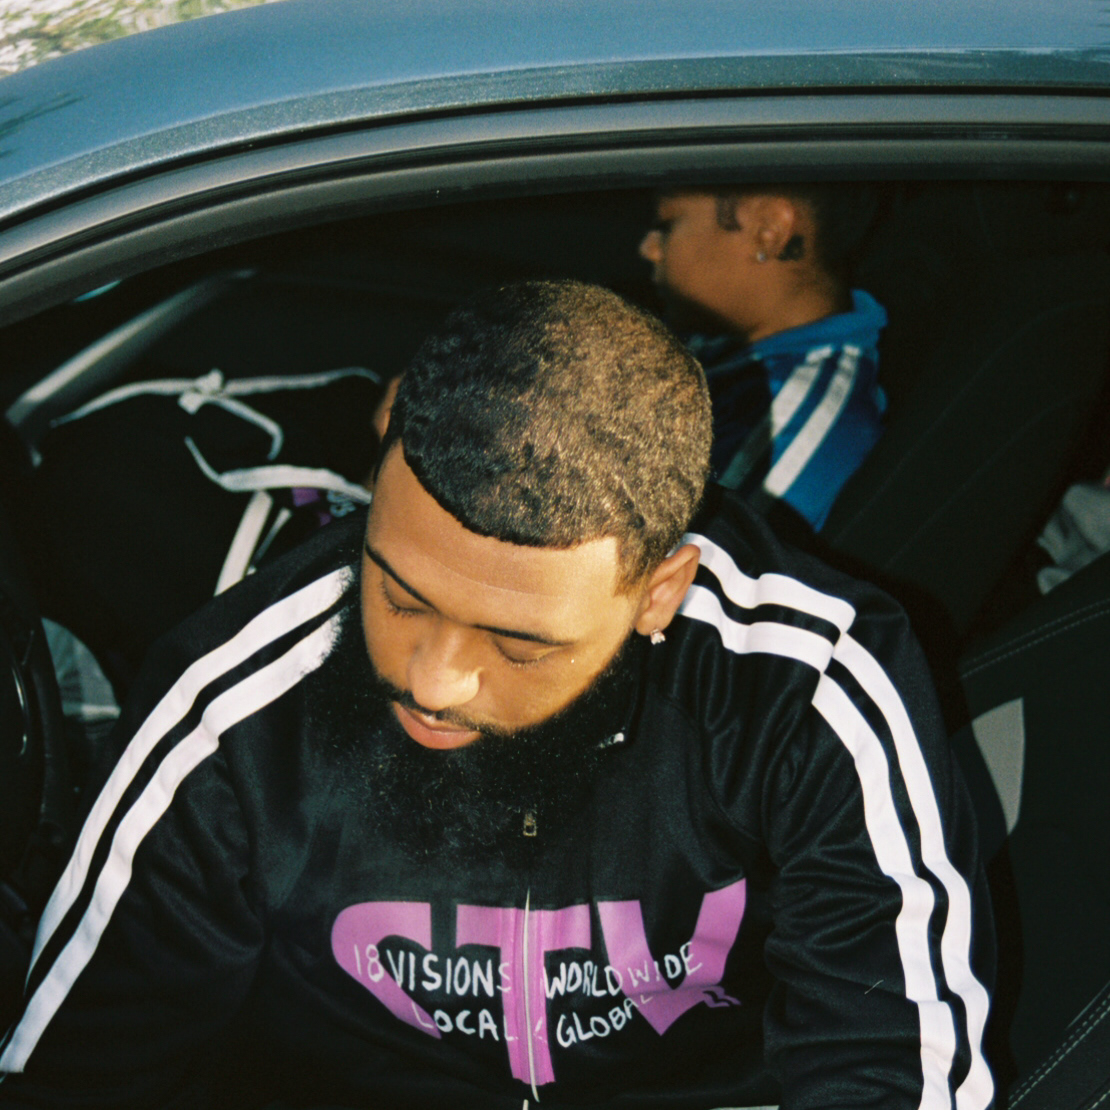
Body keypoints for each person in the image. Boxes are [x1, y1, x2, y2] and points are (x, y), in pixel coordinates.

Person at [0, 280, 993, 1110]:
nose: (431, 680)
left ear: (660, 592)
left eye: (520, 644)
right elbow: (81, 1073)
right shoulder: (235, 706)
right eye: (398, 593)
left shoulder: (803, 690)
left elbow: (888, 1068)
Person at [639, 185, 887, 531]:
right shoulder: (729, 340)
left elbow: (692, 559)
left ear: (769, 231)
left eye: (667, 226)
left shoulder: (785, 422)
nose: (649, 248)